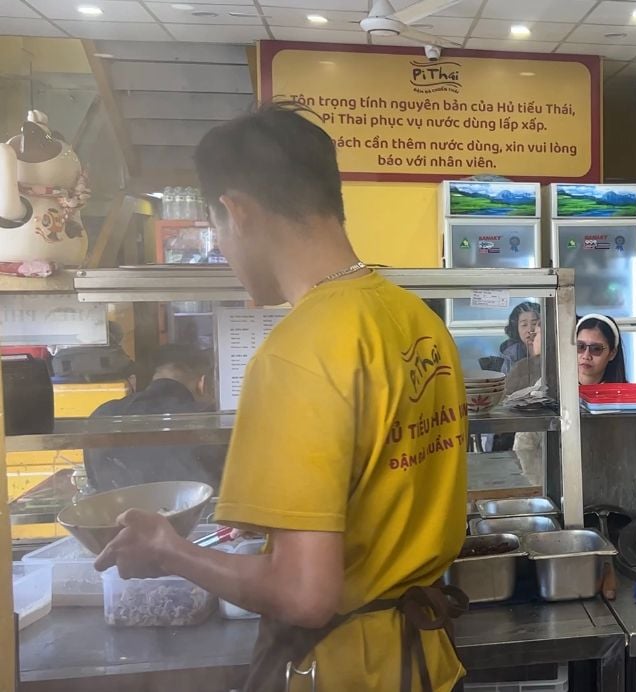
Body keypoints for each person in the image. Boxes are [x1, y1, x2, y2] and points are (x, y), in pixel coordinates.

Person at [93, 102, 470, 692]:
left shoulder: (297, 351)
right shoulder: (415, 317)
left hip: (344, 672)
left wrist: (167, 550)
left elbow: (304, 594)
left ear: (236, 211)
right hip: (426, 661)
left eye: (215, 228)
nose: (221, 247)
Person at [84, 344, 226, 492]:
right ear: (202, 384)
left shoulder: (103, 414)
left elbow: (94, 484)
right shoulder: (206, 419)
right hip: (193, 513)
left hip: (115, 512)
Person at [575, 313, 627, 385]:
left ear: (612, 354)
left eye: (596, 349)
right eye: (580, 346)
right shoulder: (558, 391)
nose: (586, 356)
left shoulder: (628, 394)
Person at [498, 302, 540, 374]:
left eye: (534, 324)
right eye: (524, 325)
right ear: (516, 328)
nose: (530, 329)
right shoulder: (510, 355)